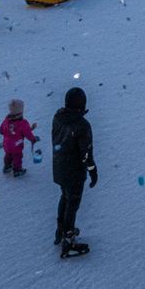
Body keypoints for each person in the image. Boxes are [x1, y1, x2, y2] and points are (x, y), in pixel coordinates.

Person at [52, 87, 97, 257]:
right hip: (74, 172)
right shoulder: (82, 125)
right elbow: (86, 153)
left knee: (65, 197)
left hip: (59, 169)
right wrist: (92, 171)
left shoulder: (58, 118)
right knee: (73, 202)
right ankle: (68, 240)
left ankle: (61, 230)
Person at [0, 99, 39, 178]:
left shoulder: (6, 120)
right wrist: (33, 139)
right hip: (16, 145)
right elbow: (27, 134)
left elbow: (1, 131)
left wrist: (9, 132)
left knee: (8, 155)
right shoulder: (23, 123)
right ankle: (17, 170)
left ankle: (7, 167)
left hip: (6, 144)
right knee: (17, 156)